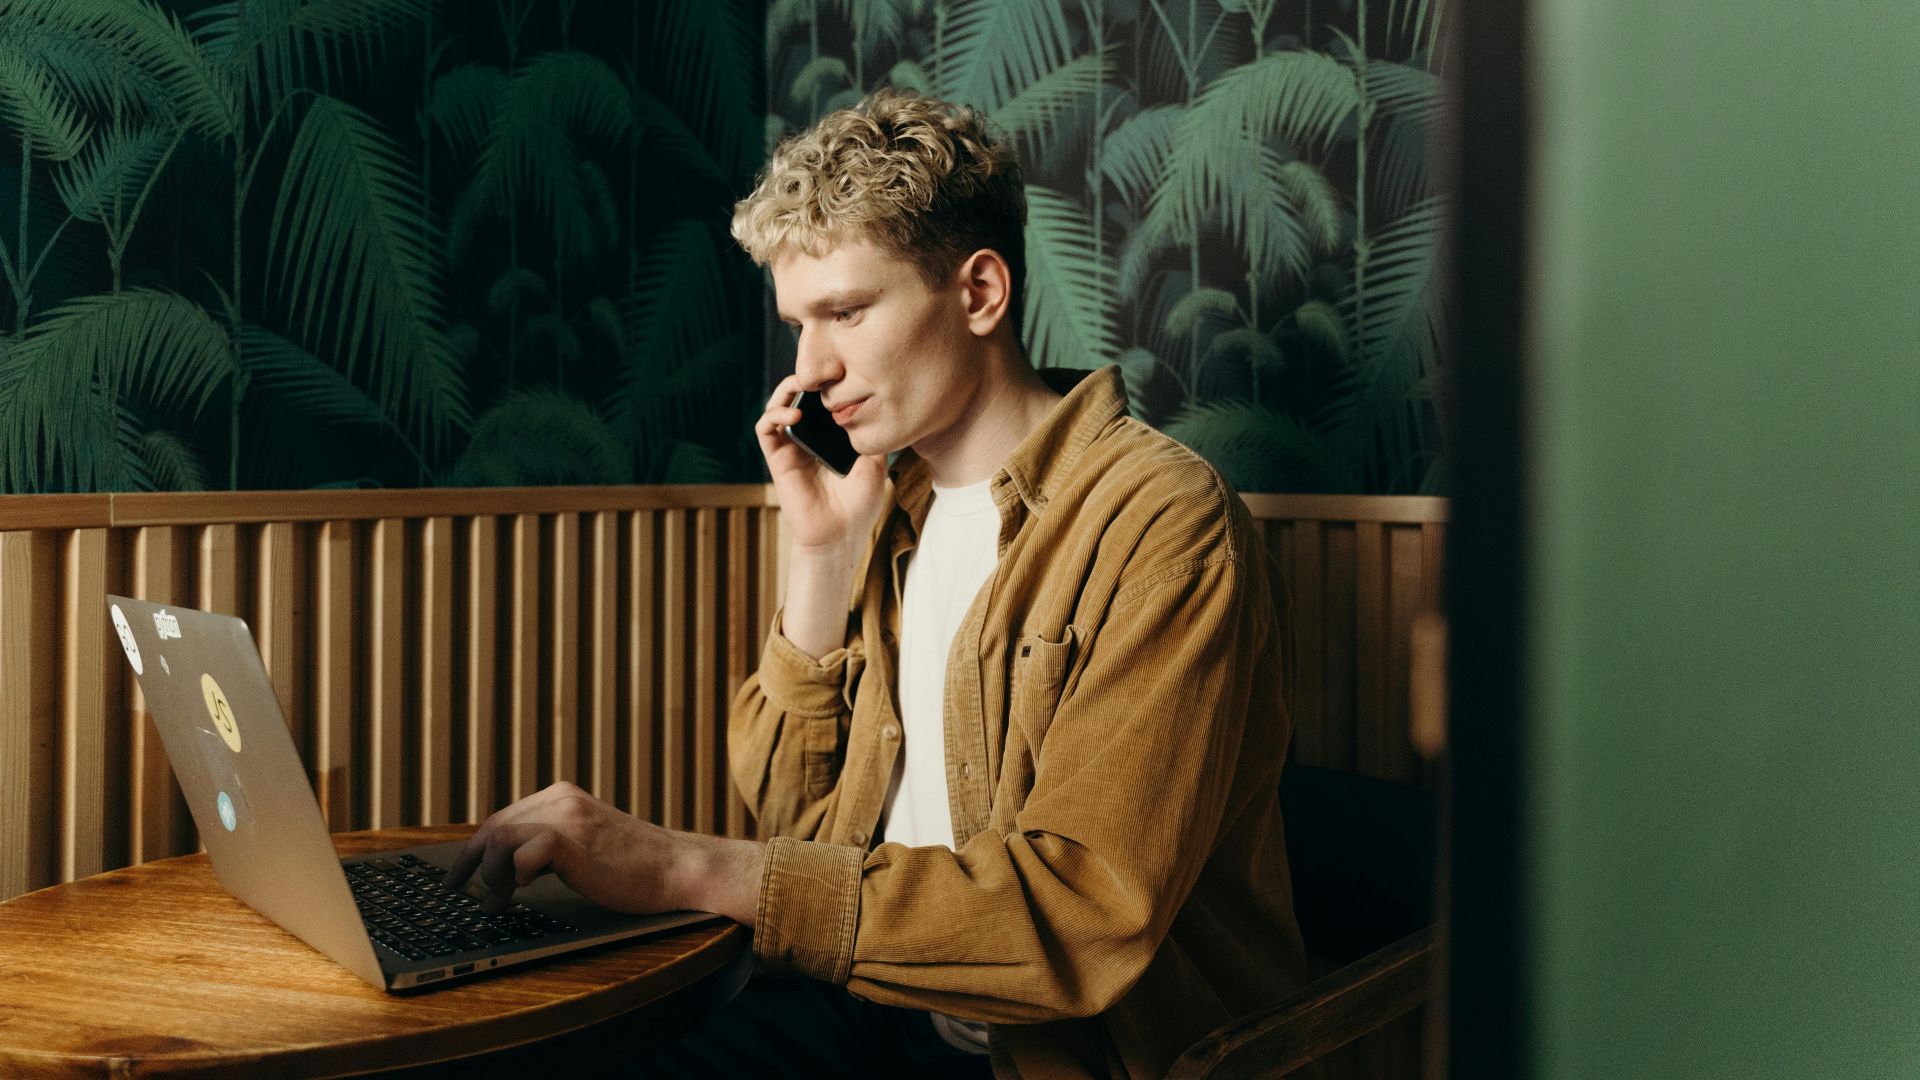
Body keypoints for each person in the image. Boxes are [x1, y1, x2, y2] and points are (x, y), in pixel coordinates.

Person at [446, 89, 1306, 1078]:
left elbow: (1077, 922)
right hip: (865, 1009)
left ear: (980, 293)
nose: (810, 370)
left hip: (1050, 1059)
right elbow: (799, 829)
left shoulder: (1161, 523)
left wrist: (682, 865)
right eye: (797, 323)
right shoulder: (887, 505)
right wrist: (819, 561)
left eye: (846, 311)